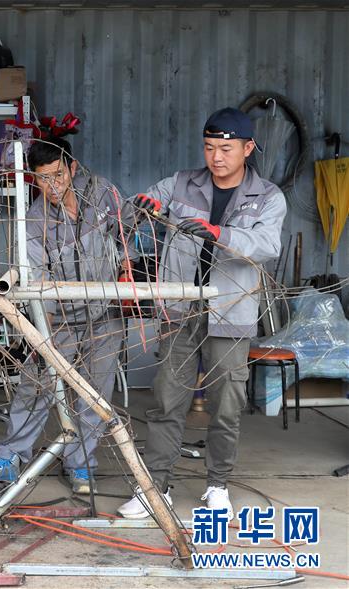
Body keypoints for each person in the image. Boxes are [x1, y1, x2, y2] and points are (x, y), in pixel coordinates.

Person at [117, 107, 286, 519]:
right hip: (179, 311)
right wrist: (143, 207)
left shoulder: (267, 196)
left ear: (248, 148)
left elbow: (266, 245)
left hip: (231, 314)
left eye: (226, 148)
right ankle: (156, 487)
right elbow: (133, 209)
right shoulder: (180, 184)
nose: (217, 157)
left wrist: (218, 233)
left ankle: (217, 486)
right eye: (210, 147)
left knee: (226, 405)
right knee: (165, 401)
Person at [0, 138, 131, 494]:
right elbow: (36, 277)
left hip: (107, 314)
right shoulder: (34, 221)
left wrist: (126, 265)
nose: (53, 186)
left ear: (72, 168)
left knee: (93, 395)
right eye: (43, 179)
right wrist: (45, 329)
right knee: (36, 387)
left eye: (58, 175)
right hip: (59, 321)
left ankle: (81, 466)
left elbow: (128, 231)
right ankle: (10, 458)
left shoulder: (104, 194)